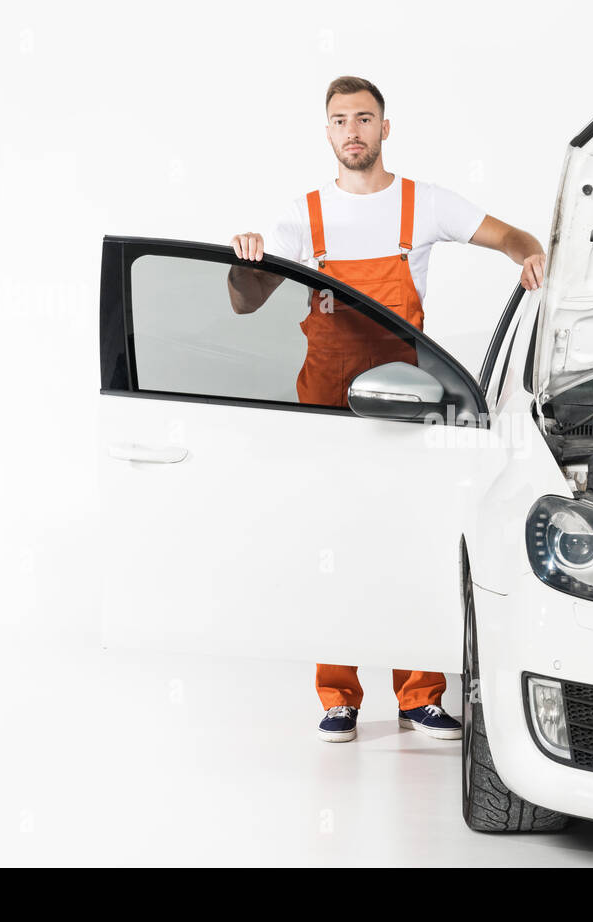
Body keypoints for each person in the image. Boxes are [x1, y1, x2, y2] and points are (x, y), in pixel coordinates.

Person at [228, 75, 546, 743]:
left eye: (364, 118)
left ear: (385, 127)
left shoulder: (421, 203)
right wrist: (245, 261)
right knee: (332, 543)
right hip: (324, 407)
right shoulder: (301, 215)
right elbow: (243, 301)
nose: (353, 130)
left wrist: (531, 256)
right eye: (340, 120)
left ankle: (420, 696)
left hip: (408, 404)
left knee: (416, 540)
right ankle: (338, 696)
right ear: (327, 133)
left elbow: (511, 236)